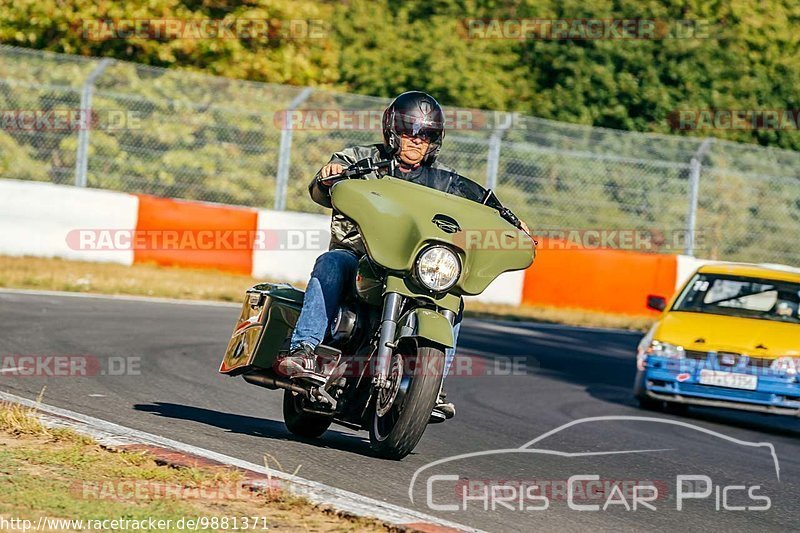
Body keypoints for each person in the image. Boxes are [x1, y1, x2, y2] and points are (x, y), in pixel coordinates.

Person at [277, 90, 527, 420]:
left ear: (435, 140)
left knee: (454, 299)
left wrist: (510, 220)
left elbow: (481, 204)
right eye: (410, 132)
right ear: (393, 131)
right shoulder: (363, 159)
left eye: (425, 135)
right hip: (362, 259)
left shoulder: (446, 182)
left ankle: (433, 387)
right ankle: (302, 348)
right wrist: (331, 172)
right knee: (331, 262)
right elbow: (321, 189)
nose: (416, 141)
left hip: (414, 269)